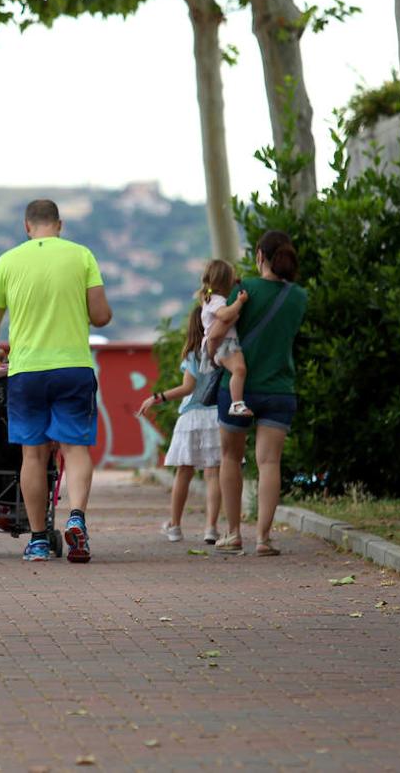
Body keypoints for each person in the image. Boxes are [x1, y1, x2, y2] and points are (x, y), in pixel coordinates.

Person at [0, 199, 112, 563]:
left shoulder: (8, 261)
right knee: (75, 448)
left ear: (26, 227)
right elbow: (101, 316)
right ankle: (77, 518)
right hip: (73, 367)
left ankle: (38, 540)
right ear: (60, 224)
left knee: (33, 455)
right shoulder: (82, 256)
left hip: (26, 370)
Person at [215, 231, 308, 557]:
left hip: (239, 388)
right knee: (269, 462)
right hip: (280, 388)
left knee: (230, 458)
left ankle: (233, 533)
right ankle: (264, 538)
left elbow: (220, 327)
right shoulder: (299, 297)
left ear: (259, 256)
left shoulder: (245, 289)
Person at [138, 304, 224, 545]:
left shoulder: (193, 353)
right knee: (213, 473)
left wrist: (157, 397)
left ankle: (175, 526)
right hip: (216, 414)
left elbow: (188, 388)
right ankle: (211, 528)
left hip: (193, 417)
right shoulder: (223, 349)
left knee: (183, 473)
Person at [200, 259, 253, 417]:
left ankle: (236, 403)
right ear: (224, 281)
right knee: (239, 369)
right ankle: (236, 404)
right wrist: (239, 302)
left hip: (220, 345)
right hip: (225, 344)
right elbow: (225, 315)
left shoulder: (210, 299)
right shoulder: (217, 301)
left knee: (238, 370)